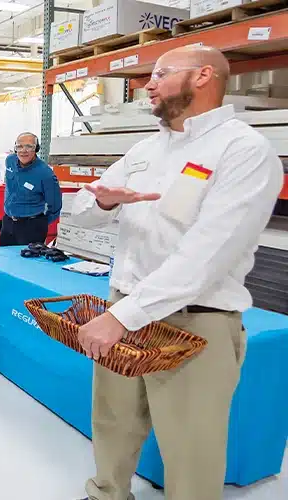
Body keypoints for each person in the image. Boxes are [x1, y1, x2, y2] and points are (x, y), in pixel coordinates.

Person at [71, 46, 283, 500]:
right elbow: (83, 208)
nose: (148, 83)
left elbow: (208, 255)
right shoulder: (146, 149)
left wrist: (121, 317)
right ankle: (106, 493)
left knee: (191, 448)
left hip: (193, 321)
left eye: (161, 73)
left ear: (203, 75)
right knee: (113, 421)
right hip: (124, 307)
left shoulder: (244, 150)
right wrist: (105, 201)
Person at [0, 133, 62, 246]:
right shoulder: (10, 161)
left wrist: (38, 223)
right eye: (20, 146)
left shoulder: (45, 174)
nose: (24, 150)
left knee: (27, 262)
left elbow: (55, 206)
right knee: (5, 260)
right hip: (8, 223)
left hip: (31, 227)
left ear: (36, 149)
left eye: (29, 146)